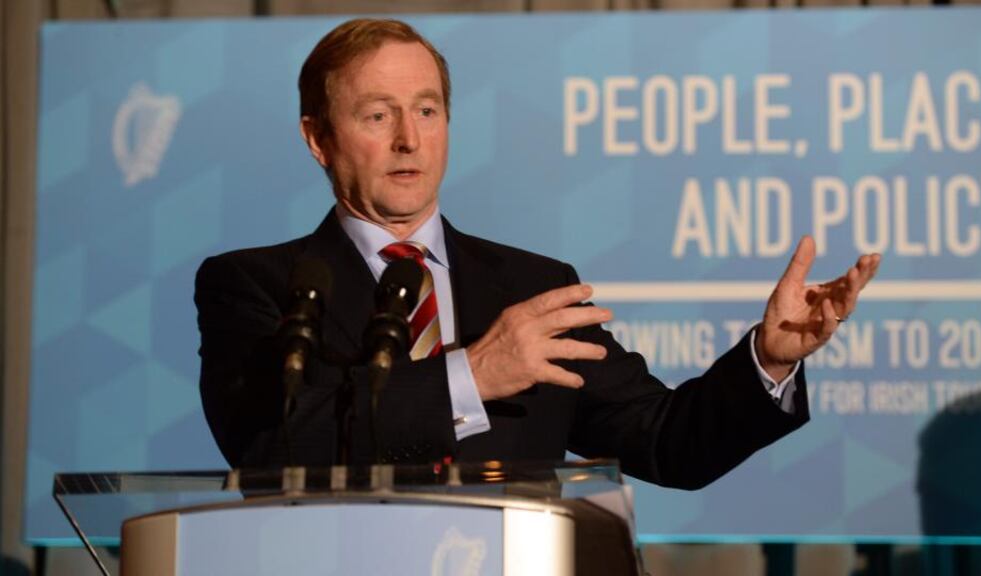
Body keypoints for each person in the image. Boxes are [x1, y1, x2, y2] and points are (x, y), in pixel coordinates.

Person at [195, 18, 881, 488]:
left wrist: (768, 360)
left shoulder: (531, 287)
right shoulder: (259, 285)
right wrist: (472, 375)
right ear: (318, 138)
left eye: (427, 110)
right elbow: (267, 444)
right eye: (378, 115)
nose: (410, 138)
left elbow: (670, 442)